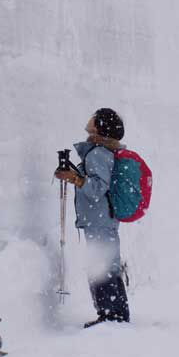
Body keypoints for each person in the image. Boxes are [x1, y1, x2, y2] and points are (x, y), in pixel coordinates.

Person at [54, 108, 130, 328]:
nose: (90, 118)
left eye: (95, 116)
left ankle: (111, 316)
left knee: (102, 267)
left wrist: (76, 180)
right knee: (106, 265)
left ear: (100, 125)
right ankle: (113, 315)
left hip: (100, 220)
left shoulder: (98, 153)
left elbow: (97, 188)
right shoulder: (101, 151)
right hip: (102, 219)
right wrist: (75, 176)